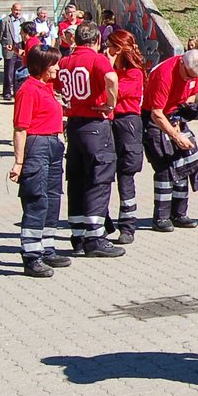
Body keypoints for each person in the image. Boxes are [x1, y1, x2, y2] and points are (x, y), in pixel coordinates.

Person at [59, 24, 123, 258]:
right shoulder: (97, 60)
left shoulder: (65, 61)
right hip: (96, 124)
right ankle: (95, 237)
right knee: (99, 180)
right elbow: (111, 78)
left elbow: (57, 83)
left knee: (76, 180)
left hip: (74, 126)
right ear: (97, 41)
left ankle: (77, 235)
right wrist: (111, 102)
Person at [8, 45, 68, 274]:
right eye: (53, 64)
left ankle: (48, 247)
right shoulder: (28, 90)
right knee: (37, 199)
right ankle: (31, 256)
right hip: (37, 146)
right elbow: (20, 128)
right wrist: (19, 162)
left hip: (53, 145)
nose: (57, 68)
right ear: (41, 66)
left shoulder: (47, 86)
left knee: (53, 199)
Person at [144, 48, 198, 231]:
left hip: (174, 115)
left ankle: (179, 213)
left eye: (194, 76)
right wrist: (174, 135)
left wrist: (180, 119)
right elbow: (156, 114)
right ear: (181, 63)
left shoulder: (193, 73)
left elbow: (191, 94)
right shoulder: (164, 76)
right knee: (165, 167)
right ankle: (161, 218)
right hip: (154, 118)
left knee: (185, 163)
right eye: (188, 75)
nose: (189, 79)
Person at [106, 30, 146, 244]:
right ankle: (104, 222)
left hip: (128, 123)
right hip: (109, 123)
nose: (107, 50)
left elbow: (116, 93)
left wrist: (108, 69)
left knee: (126, 175)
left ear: (119, 49)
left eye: (110, 46)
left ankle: (128, 226)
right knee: (102, 173)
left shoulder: (135, 72)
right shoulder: (110, 69)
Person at [0, 2, 26, 101]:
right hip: (10, 47)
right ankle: (6, 93)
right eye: (16, 10)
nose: (17, 12)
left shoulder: (23, 20)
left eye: (19, 10)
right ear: (12, 10)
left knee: (18, 72)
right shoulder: (5, 21)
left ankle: (17, 92)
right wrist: (5, 44)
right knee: (9, 72)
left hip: (20, 46)